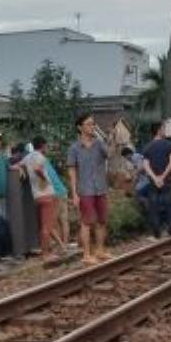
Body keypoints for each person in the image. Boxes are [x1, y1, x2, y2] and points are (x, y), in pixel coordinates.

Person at [67, 112, 111, 265]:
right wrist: (74, 193)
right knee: (86, 223)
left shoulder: (99, 144)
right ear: (80, 127)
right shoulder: (74, 148)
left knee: (102, 221)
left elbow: (109, 154)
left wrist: (102, 139)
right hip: (85, 190)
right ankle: (86, 254)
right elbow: (72, 171)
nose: (92, 127)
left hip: (100, 188)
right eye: (89, 124)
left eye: (93, 124)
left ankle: (100, 250)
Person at [21, 137, 58, 264]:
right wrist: (44, 179)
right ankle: (46, 254)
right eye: (46, 146)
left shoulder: (27, 157)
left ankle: (47, 251)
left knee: (42, 226)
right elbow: (37, 169)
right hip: (47, 194)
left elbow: (16, 166)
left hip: (36, 195)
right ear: (43, 146)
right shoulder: (41, 157)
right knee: (46, 227)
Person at [142, 121, 171, 237]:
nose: (164, 130)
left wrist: (155, 177)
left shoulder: (148, 146)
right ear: (158, 130)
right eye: (163, 128)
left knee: (154, 206)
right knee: (169, 204)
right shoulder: (169, 145)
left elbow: (145, 165)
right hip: (166, 180)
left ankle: (156, 231)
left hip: (153, 182)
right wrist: (163, 176)